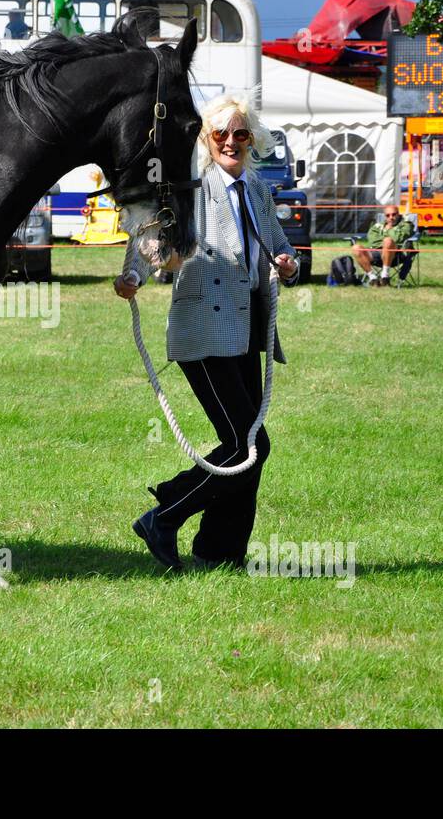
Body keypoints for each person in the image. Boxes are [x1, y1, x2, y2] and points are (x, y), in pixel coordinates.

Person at [113, 94, 299, 571]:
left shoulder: (256, 188)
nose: (232, 142)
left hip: (249, 328)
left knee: (248, 445)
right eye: (222, 134)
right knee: (247, 445)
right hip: (204, 327)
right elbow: (151, 236)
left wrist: (289, 263)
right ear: (206, 140)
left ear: (252, 139)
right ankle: (166, 515)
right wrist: (133, 275)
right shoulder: (191, 188)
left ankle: (221, 552)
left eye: (241, 134)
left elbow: (280, 245)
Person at [351, 205, 412, 286]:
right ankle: (373, 278)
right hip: (376, 254)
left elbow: (397, 238)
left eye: (394, 214)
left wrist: (387, 233)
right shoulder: (377, 226)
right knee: (356, 248)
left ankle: (385, 277)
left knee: (388, 241)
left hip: (396, 255)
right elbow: (372, 240)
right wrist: (387, 238)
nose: (391, 217)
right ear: (385, 216)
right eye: (388, 215)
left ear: (398, 214)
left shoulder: (406, 225)